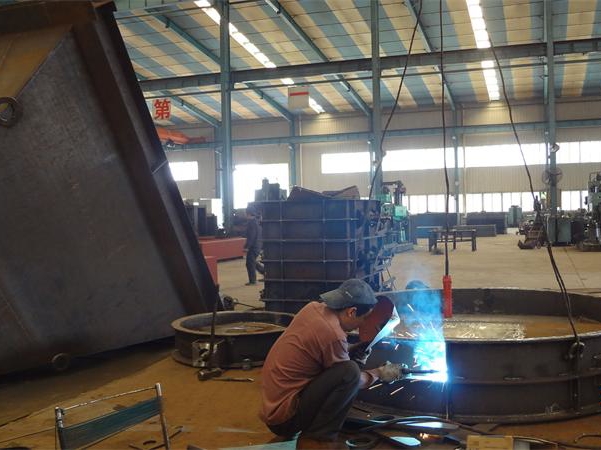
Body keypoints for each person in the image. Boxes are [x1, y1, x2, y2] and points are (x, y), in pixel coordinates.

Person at [259, 279, 402, 447]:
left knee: (347, 369)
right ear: (351, 312)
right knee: (350, 372)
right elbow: (352, 379)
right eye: (364, 318)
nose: (363, 324)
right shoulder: (333, 335)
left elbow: (321, 350)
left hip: (274, 407)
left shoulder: (313, 308)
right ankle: (318, 439)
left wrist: (351, 350)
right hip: (285, 420)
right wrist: (380, 373)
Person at [244, 205, 263, 285]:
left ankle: (253, 281)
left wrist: (247, 247)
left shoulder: (251, 223)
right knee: (252, 262)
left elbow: (251, 236)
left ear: (248, 213)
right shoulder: (256, 222)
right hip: (257, 245)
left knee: (249, 263)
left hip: (253, 246)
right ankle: (265, 272)